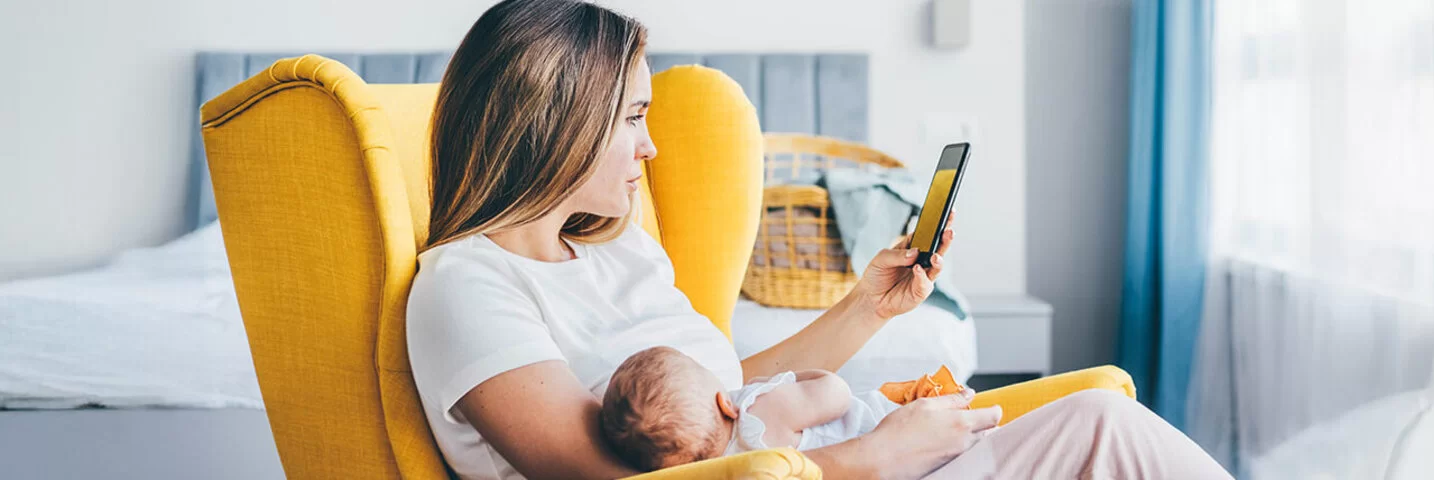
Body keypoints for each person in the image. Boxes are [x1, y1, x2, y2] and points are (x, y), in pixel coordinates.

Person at [406, 0, 1234, 479]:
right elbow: (609, 479)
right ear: (558, 124)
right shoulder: (465, 285)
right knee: (1100, 429)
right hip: (838, 474)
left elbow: (733, 394)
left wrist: (865, 311)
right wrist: (871, 458)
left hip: (832, 462)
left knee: (1099, 421)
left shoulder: (619, 250)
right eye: (631, 119)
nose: (650, 148)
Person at [598, 346, 948, 471]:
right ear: (724, 402)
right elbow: (837, 394)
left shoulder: (725, 468)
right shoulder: (759, 410)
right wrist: (792, 378)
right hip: (888, 433)